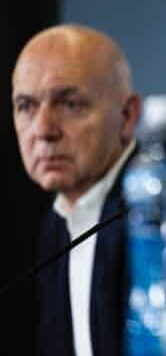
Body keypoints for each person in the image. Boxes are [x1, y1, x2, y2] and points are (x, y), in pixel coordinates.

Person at [12, 24, 141, 356]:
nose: (42, 130)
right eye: (26, 106)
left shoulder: (158, 214)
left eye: (70, 104)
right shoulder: (55, 224)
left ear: (127, 117)